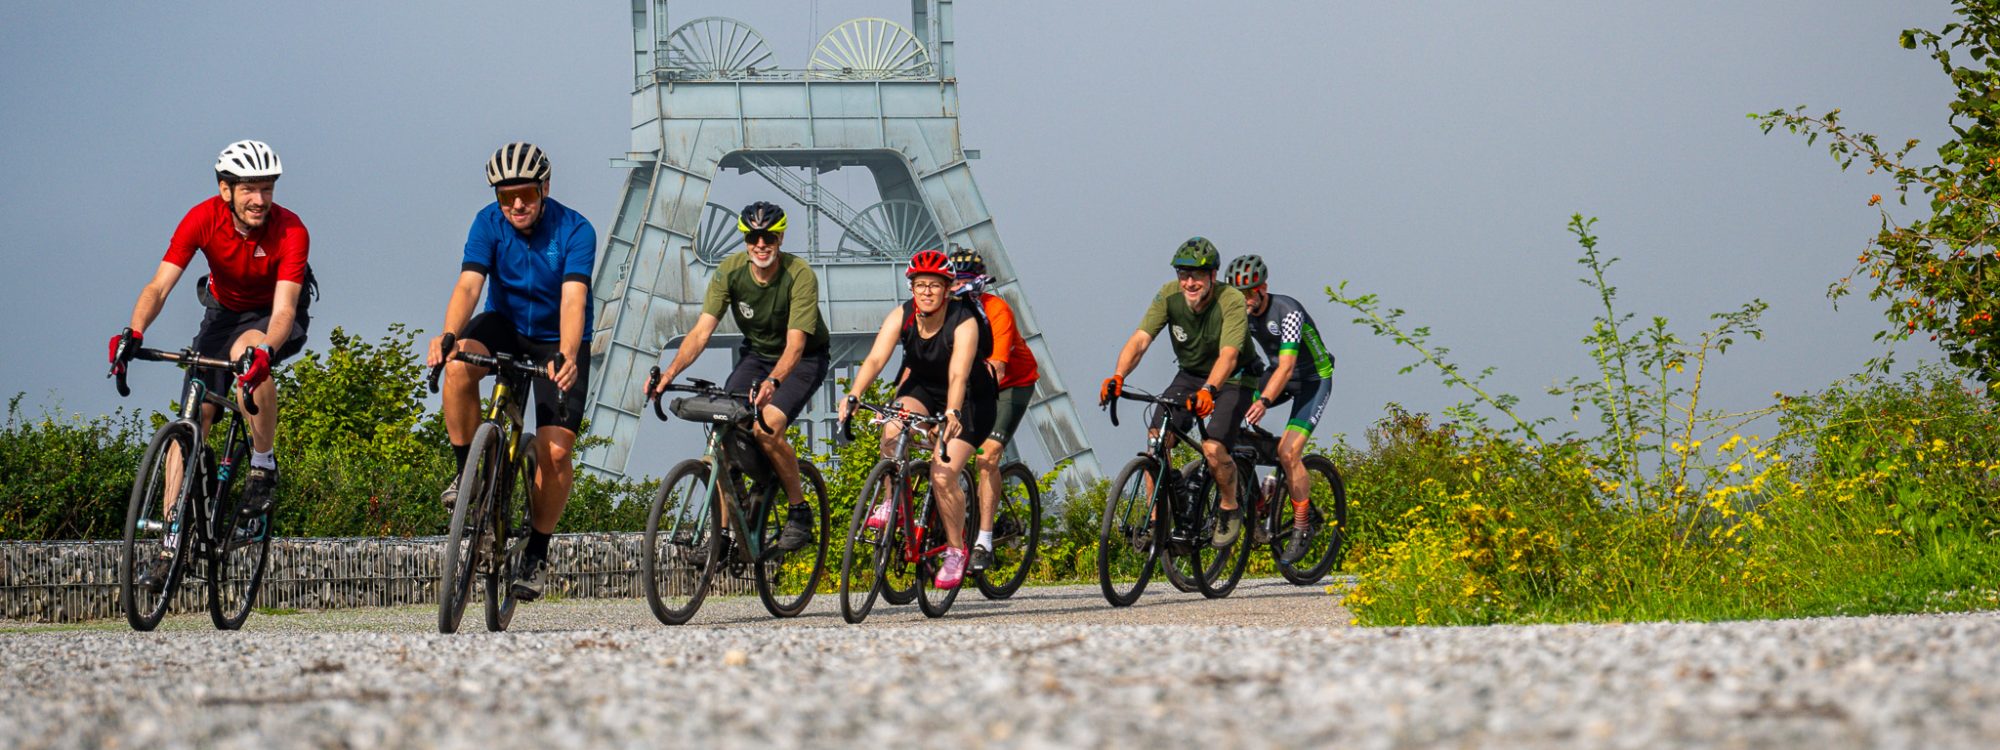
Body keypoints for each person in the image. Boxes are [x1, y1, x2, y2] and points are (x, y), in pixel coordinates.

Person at [110, 140, 312, 592]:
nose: (260, 200)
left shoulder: (291, 230)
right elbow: (159, 286)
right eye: (249, 190)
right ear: (226, 190)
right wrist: (133, 333)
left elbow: (283, 313)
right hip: (221, 312)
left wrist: (264, 352)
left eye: (267, 189)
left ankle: (262, 466)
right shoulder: (202, 218)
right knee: (189, 420)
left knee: (249, 353)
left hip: (273, 313)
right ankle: (170, 545)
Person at [426, 142, 596, 602]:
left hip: (555, 338)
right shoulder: (487, 223)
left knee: (556, 452)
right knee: (459, 362)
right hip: (505, 325)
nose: (516, 205)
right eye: (506, 197)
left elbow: (574, 298)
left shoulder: (576, 230)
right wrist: (447, 334)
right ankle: (469, 477)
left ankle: (537, 552)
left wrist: (565, 356)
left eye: (525, 194)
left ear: (544, 187)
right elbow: (469, 283)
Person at [648, 201, 831, 554]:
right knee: (722, 429)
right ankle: (726, 535)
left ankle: (798, 509)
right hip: (757, 355)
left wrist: (774, 383)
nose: (761, 244)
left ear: (779, 239)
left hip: (803, 358)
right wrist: (668, 373)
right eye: (753, 237)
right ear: (745, 240)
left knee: (767, 426)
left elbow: (795, 346)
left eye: (769, 237)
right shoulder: (730, 272)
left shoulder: (799, 274)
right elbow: (701, 333)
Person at [836, 250, 998, 590]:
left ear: (948, 288)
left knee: (942, 473)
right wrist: (854, 395)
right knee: (893, 426)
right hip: (923, 387)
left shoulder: (963, 321)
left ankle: (956, 551)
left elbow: (958, 375)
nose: (926, 291)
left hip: (970, 400)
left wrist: (952, 412)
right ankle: (890, 500)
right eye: (920, 285)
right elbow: (876, 359)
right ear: (911, 287)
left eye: (934, 285)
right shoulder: (903, 315)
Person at [1099, 237, 1263, 548]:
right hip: (1190, 374)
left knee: (1213, 449)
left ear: (1212, 276)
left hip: (1233, 379)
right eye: (1183, 274)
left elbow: (1228, 356)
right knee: (1157, 438)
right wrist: (1118, 375)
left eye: (1197, 276)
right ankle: (1158, 520)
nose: (1189, 282)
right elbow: (1140, 340)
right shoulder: (1169, 296)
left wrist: (1209, 390)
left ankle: (1229, 507)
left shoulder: (1230, 301)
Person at [1224, 255, 1336, 564]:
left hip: (1312, 380)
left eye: (1248, 293)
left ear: (1263, 289)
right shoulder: (1239, 314)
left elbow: (1287, 367)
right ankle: (1258, 499)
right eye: (1237, 293)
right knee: (1225, 432)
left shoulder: (1288, 311)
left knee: (1289, 453)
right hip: (1274, 374)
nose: (1243, 300)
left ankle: (1303, 524)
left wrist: (1262, 402)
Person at [947, 247, 1039, 573]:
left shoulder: (997, 311)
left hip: (1011, 383)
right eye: (953, 283)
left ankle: (984, 540)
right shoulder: (943, 313)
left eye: (966, 283)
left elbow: (997, 368)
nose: (958, 290)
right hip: (969, 384)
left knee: (987, 456)